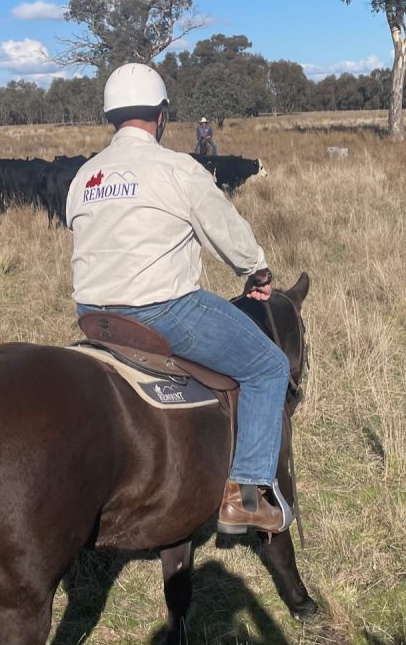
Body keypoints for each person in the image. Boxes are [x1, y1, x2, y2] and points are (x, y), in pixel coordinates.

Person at [65, 63, 293, 534]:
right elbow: (226, 229)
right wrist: (255, 270)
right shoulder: (176, 168)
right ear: (162, 115)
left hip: (92, 317)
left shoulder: (84, 176)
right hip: (163, 312)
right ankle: (248, 494)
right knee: (269, 367)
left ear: (111, 117)